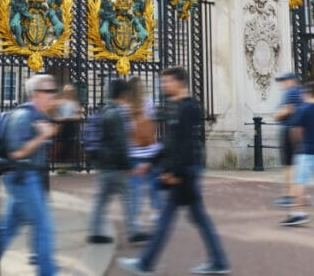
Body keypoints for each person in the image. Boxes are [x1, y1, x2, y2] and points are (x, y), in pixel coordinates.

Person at [117, 66, 231, 276]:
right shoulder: (174, 106)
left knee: (171, 219)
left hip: (185, 171)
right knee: (193, 218)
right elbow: (169, 143)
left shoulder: (189, 108)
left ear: (179, 82)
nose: (164, 85)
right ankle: (218, 260)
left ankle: (147, 263)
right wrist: (150, 162)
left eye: (167, 81)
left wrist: (175, 173)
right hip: (184, 170)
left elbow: (186, 145)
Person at [0, 73, 59, 276]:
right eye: (49, 91)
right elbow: (16, 152)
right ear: (36, 94)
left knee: (6, 231)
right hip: (22, 180)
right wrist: (42, 136)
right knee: (43, 227)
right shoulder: (22, 117)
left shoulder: (39, 116)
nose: (53, 96)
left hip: (28, 179)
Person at [87, 80, 149, 245]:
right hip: (115, 165)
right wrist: (127, 165)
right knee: (127, 197)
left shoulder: (105, 111)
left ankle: (95, 232)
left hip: (105, 164)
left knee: (101, 200)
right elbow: (120, 142)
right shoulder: (116, 114)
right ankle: (133, 232)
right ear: (122, 95)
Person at [281, 82, 314, 227]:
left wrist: (298, 144)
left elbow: (295, 130)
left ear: (309, 93)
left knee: (300, 182)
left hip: (306, 150)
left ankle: (299, 214)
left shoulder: (303, 109)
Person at [126, 76, 163, 227]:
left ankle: (135, 218)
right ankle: (156, 211)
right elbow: (152, 126)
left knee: (135, 188)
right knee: (154, 184)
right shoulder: (148, 102)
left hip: (133, 152)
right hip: (149, 151)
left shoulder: (125, 106)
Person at [272, 72, 303, 206]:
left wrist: (276, 115)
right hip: (297, 129)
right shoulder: (300, 92)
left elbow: (286, 111)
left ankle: (290, 195)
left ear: (292, 81)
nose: (282, 83)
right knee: (295, 164)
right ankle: (298, 193)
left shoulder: (290, 92)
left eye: (284, 80)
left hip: (288, 129)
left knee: (288, 165)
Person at [53, 84, 83, 169]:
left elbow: (79, 116)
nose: (68, 93)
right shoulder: (60, 102)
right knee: (60, 146)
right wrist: (58, 119)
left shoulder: (75, 103)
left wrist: (69, 118)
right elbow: (53, 114)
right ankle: (60, 166)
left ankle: (70, 165)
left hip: (71, 126)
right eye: (66, 91)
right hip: (61, 126)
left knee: (70, 146)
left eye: (70, 91)